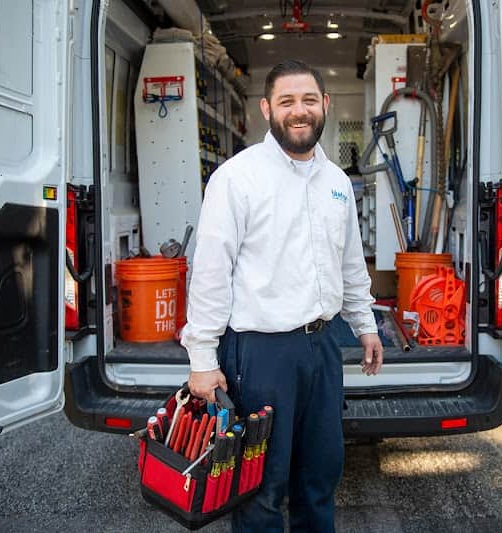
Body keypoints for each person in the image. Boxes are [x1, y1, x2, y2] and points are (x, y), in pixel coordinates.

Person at [181, 59, 384, 532]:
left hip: (324, 347)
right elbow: (211, 273)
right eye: (288, 101)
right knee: (262, 489)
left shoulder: (336, 182)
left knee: (320, 476)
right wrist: (202, 359)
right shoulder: (236, 178)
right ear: (267, 108)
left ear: (325, 106)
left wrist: (367, 325)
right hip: (261, 353)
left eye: (309, 100)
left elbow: (350, 262)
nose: (300, 111)